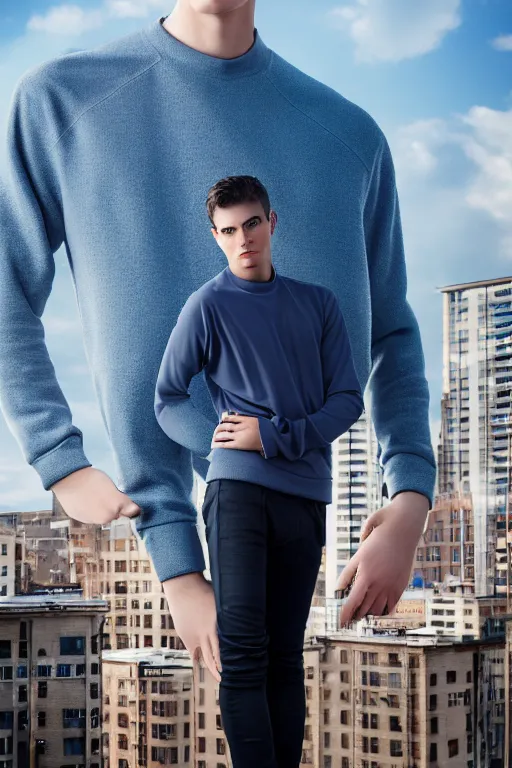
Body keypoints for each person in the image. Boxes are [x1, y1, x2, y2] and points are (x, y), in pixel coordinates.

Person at [0, 0, 436, 694]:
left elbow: (391, 329)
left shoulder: (352, 137)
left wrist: (411, 496)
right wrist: (59, 457)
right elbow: (6, 288)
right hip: (166, 533)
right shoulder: (61, 102)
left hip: (307, 512)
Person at [154, 174, 364, 766]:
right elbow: (167, 399)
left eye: (251, 224)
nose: (242, 239)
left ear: (272, 223)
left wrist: (270, 435)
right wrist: (219, 444)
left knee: (283, 656)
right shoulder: (207, 305)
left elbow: (347, 399)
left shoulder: (318, 303)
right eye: (227, 230)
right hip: (238, 495)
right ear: (215, 236)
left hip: (303, 498)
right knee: (244, 653)